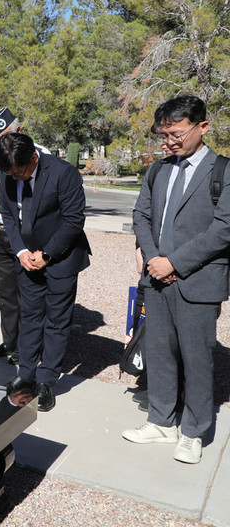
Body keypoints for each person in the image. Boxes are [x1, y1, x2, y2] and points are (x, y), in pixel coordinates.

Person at [125, 94, 230, 464]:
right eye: (163, 134)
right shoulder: (158, 169)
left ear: (202, 127)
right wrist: (154, 258)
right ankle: (161, 421)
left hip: (197, 282)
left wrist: (174, 263)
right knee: (159, 352)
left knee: (197, 359)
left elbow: (224, 229)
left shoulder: (223, 171)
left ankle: (193, 431)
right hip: (155, 278)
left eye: (176, 134)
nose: (169, 141)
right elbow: (141, 215)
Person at [0, 131, 90, 413]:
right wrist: (22, 252)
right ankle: (25, 373)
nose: (14, 179)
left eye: (19, 173)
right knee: (30, 316)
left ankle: (47, 380)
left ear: (33, 158)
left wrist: (46, 254)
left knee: (57, 321)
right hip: (27, 258)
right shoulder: (7, 172)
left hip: (61, 257)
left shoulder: (64, 173)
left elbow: (74, 220)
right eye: (9, 174)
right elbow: (8, 215)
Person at [0, 108, 49, 365]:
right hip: (0, 232)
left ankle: (27, 348)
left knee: (28, 294)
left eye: (4, 136)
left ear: (19, 131)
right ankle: (10, 342)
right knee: (7, 294)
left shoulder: (38, 155)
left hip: (24, 232)